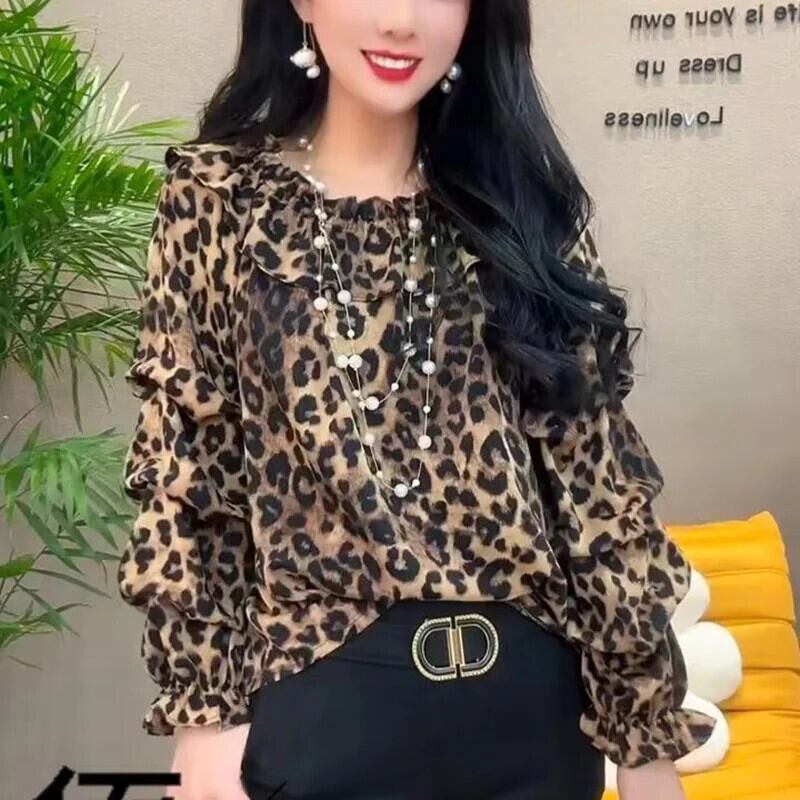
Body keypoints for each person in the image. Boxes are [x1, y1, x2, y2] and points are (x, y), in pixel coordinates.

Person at [116, 1, 718, 798]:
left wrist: (645, 749)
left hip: (533, 720)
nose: (402, 21)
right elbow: (191, 473)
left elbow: (595, 488)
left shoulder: (519, 205)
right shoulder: (219, 200)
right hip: (325, 716)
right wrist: (205, 723)